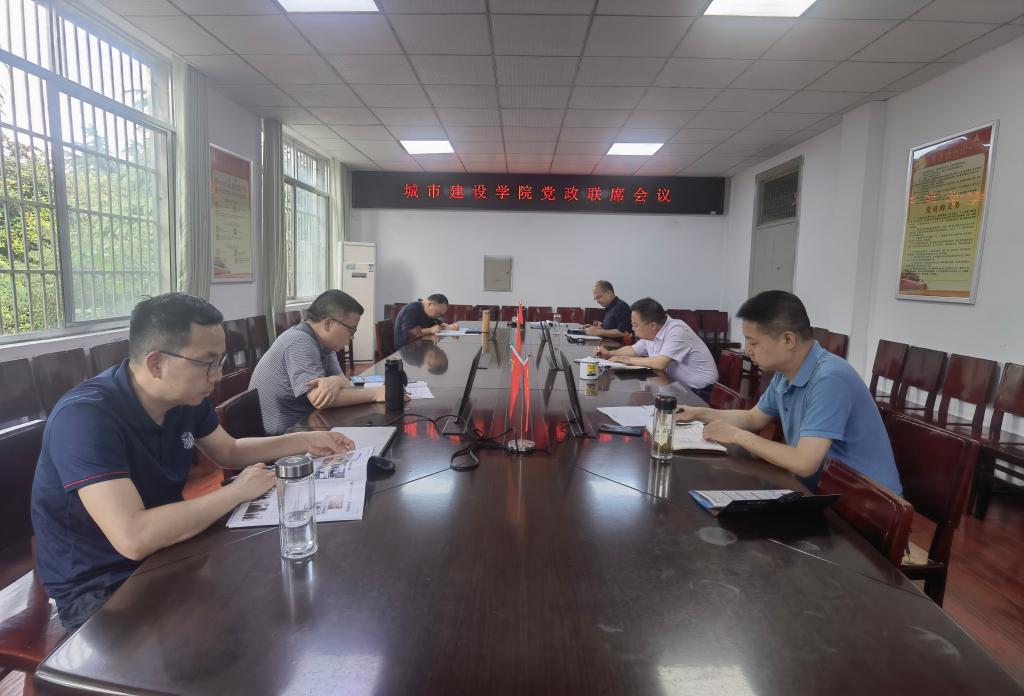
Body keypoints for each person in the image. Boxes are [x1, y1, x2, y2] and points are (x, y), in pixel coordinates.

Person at [31, 293, 354, 631]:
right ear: (156, 364)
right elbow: (133, 537)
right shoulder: (85, 418)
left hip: (166, 549)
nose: (217, 376)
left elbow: (229, 450)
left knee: (277, 594)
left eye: (219, 361)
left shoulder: (184, 397)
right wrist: (235, 492)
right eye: (206, 363)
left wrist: (303, 441)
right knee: (237, 628)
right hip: (102, 584)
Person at [678, 291, 902, 494]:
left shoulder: (830, 378)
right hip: (823, 489)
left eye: (754, 343)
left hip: (865, 504)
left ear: (788, 340)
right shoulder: (785, 373)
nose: (748, 351)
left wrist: (737, 436)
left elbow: (804, 463)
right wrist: (698, 413)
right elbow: (754, 418)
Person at [251, 289, 388, 435]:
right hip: (282, 435)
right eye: (352, 330)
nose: (352, 337)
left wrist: (337, 380)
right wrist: (375, 393)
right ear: (329, 323)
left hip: (306, 424)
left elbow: (344, 384)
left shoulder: (324, 345)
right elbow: (320, 399)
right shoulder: (299, 341)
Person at [597, 297, 718, 399]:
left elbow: (660, 363)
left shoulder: (677, 330)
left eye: (635, 325)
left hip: (701, 392)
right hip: (675, 386)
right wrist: (610, 353)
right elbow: (634, 350)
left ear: (652, 325)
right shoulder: (652, 333)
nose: (632, 329)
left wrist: (626, 360)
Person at [393, 294, 458, 348]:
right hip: (406, 349)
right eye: (437, 312)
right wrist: (430, 330)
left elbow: (436, 322)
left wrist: (447, 326)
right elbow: (408, 334)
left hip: (419, 346)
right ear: (430, 304)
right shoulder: (412, 309)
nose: (438, 316)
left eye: (440, 314)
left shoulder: (429, 312)